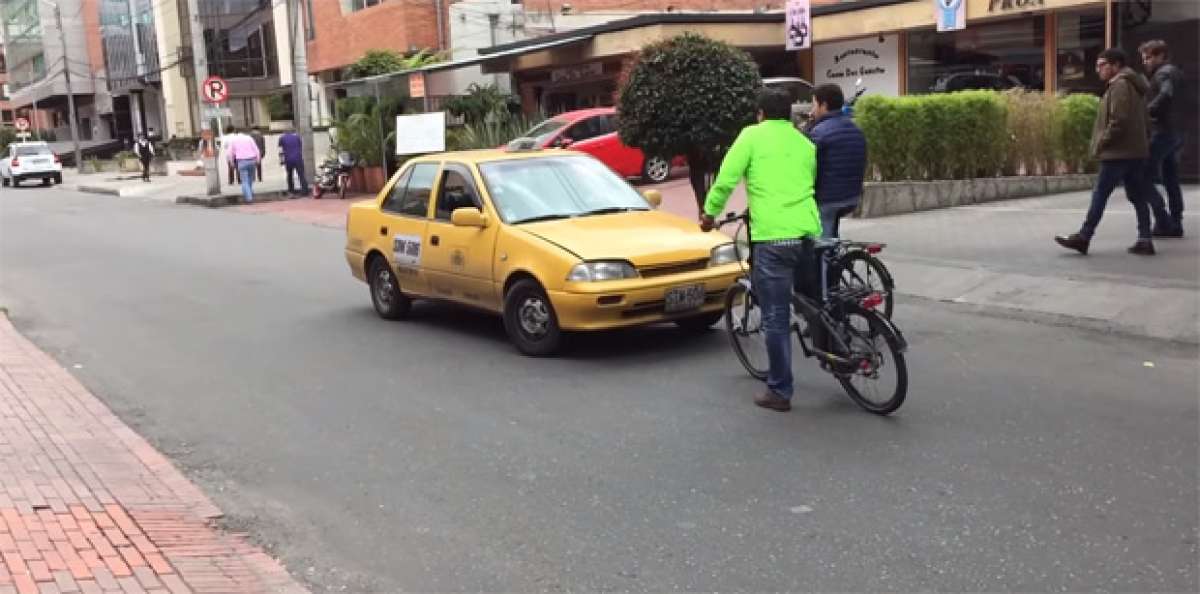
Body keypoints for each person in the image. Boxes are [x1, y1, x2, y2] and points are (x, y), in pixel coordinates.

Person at [700, 88, 822, 413]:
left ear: (760, 113)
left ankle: (780, 391)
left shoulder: (751, 136)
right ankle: (834, 354)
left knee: (776, 317)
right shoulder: (805, 142)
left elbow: (726, 180)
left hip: (773, 237)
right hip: (808, 231)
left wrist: (709, 214)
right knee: (814, 302)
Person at [1055, 48, 1156, 256]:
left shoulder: (1120, 85)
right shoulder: (1133, 85)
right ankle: (1145, 238)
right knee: (1138, 196)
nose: (1098, 69)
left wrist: (1101, 143)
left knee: (1100, 195)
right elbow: (1146, 121)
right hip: (1135, 152)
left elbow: (1118, 121)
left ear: (1116, 65)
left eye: (1102, 65)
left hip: (1117, 153)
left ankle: (1084, 236)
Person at [804, 84, 867, 239]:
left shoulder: (819, 132)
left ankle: (826, 261)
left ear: (823, 105)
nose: (812, 109)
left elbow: (804, 158)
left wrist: (809, 126)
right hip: (852, 196)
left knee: (820, 245)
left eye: (814, 104)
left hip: (828, 199)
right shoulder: (855, 129)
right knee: (831, 236)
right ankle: (838, 259)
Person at [1140, 39, 1186, 238]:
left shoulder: (1164, 73)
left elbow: (1166, 93)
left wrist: (1148, 111)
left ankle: (1164, 221)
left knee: (1142, 177)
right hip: (1177, 132)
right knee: (1171, 178)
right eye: (1144, 58)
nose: (1146, 61)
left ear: (1161, 56)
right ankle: (1175, 222)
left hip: (1164, 132)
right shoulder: (1177, 72)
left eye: (1149, 57)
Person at [224, 126, 261, 203]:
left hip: (242, 161)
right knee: (250, 179)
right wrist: (258, 160)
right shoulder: (249, 138)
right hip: (252, 160)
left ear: (236, 133)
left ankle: (249, 198)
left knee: (244, 181)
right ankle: (249, 192)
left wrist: (231, 162)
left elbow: (230, 153)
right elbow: (256, 150)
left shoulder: (234, 140)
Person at [278, 129, 309, 197]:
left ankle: (291, 190)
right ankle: (305, 191)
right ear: (292, 132)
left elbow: (280, 151)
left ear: (284, 132)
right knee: (301, 175)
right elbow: (300, 147)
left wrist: (281, 161)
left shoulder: (281, 138)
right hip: (298, 158)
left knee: (289, 175)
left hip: (288, 159)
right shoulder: (297, 137)